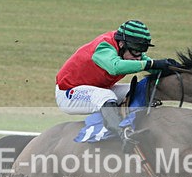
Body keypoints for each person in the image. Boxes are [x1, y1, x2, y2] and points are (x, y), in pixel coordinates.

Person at [55, 20, 178, 148]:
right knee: (106, 96)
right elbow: (115, 67)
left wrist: (170, 67)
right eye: (135, 51)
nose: (138, 57)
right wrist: (153, 64)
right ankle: (122, 135)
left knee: (138, 91)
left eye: (141, 52)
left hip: (97, 88)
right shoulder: (104, 47)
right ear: (121, 44)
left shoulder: (126, 49)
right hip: (69, 93)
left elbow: (148, 64)